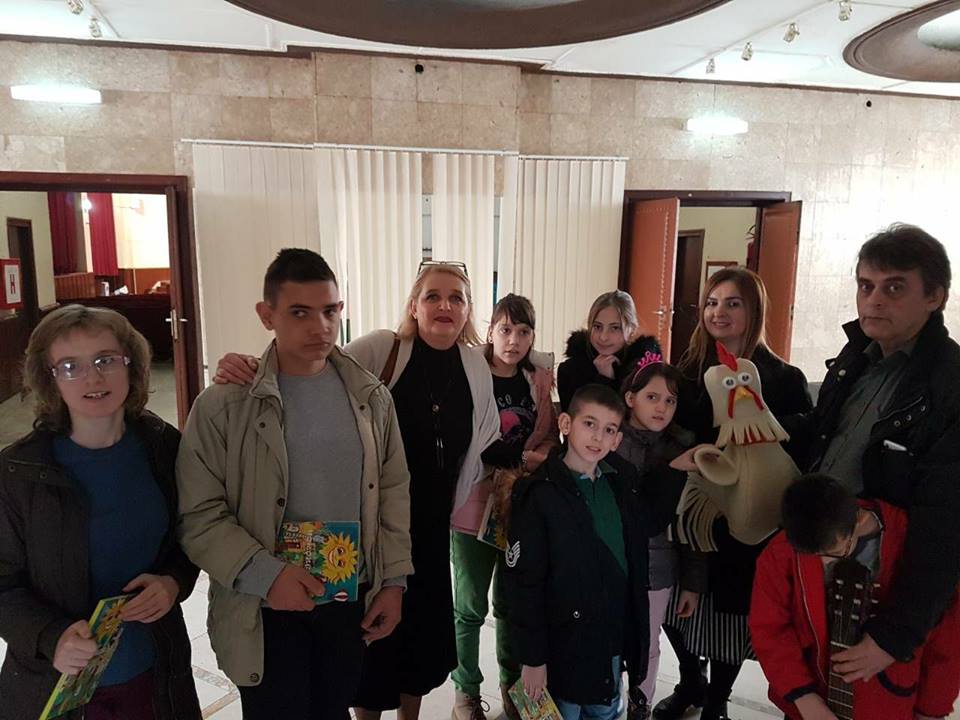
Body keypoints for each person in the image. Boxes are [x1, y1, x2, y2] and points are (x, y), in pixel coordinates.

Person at [212, 260, 501, 720]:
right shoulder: (385, 348)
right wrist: (247, 364)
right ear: (414, 305)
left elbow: (482, 435)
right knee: (373, 644)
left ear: (468, 310)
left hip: (428, 529)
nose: (444, 305)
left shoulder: (473, 367)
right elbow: (313, 368)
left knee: (421, 641)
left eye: (456, 298)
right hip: (372, 526)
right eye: (432, 296)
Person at [176, 249, 413, 720]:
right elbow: (198, 515)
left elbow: (392, 492)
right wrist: (268, 576)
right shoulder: (225, 405)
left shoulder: (371, 399)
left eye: (330, 311)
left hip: (347, 598)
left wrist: (393, 581)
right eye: (299, 313)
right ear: (267, 316)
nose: (320, 327)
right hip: (264, 604)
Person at [0, 305, 201, 720]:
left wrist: (173, 582)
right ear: (50, 378)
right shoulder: (19, 472)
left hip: (156, 674)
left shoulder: (163, 446)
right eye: (70, 366)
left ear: (131, 364)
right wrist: (50, 636)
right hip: (55, 685)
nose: (92, 378)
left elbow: (191, 536)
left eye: (105, 360)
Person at [789, 224, 960, 690]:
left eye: (894, 288)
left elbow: (946, 524)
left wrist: (895, 636)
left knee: (866, 702)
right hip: (823, 555)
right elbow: (825, 439)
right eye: (866, 286)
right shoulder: (856, 358)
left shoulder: (949, 385)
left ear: (935, 297)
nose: (874, 301)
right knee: (807, 691)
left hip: (880, 582)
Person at [656, 267, 812, 720]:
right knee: (676, 605)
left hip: (750, 522)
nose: (718, 312)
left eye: (732, 303)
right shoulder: (685, 375)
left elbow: (801, 449)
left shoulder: (784, 379)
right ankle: (690, 682)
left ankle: (717, 700)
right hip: (693, 513)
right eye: (712, 302)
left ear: (754, 310)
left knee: (731, 613)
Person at [750, 474, 960, 720]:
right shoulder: (786, 550)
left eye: (835, 552)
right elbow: (769, 629)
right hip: (812, 703)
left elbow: (946, 637)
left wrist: (931, 710)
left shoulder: (913, 545)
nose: (822, 562)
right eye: (814, 555)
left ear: (859, 520)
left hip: (887, 703)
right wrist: (802, 696)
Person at [505, 383, 652, 720]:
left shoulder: (622, 484)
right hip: (561, 648)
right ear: (566, 424)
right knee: (565, 711)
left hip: (610, 641)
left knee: (604, 711)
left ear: (617, 440)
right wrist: (532, 659)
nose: (598, 437)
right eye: (589, 424)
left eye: (609, 429)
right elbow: (524, 585)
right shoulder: (538, 494)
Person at [451, 294, 559, 720]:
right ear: (491, 331)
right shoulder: (468, 372)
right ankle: (465, 693)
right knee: (469, 607)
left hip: (519, 504)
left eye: (523, 331)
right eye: (505, 329)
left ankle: (513, 689)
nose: (513, 340)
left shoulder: (539, 380)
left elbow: (549, 437)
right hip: (472, 503)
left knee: (512, 605)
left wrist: (536, 457)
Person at [614, 360, 706, 720]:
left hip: (657, 568)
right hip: (610, 563)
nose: (661, 408)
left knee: (647, 643)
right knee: (606, 640)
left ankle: (640, 706)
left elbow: (692, 523)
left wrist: (692, 583)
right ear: (630, 398)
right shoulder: (609, 440)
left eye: (670, 400)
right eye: (652, 397)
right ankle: (606, 704)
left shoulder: (682, 451)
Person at [557, 290, 660, 412]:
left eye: (615, 328)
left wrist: (608, 380)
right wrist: (603, 379)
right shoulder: (570, 370)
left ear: (632, 329)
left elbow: (636, 418)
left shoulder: (646, 371)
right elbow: (575, 419)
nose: (603, 337)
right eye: (597, 327)